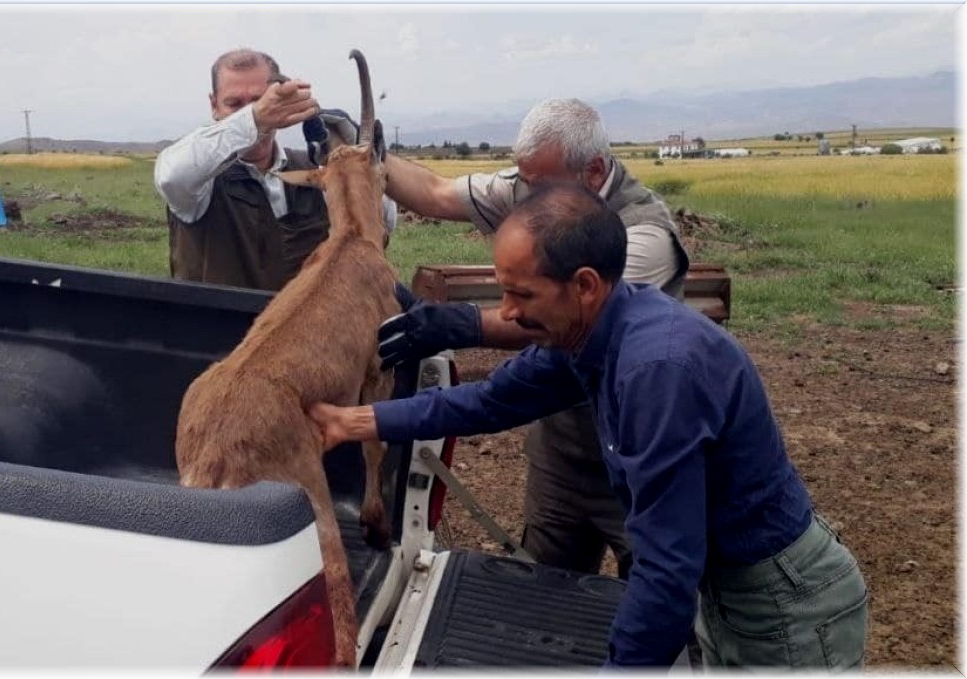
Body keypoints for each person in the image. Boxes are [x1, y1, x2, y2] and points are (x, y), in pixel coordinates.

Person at [309, 182, 869, 669]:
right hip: (727, 590)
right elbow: (488, 401)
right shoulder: (588, 334)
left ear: (583, 284)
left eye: (521, 293)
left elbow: (667, 567)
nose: (504, 312)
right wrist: (357, 420)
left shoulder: (658, 371)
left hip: (779, 606)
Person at [378, 98, 689, 579]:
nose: (528, 195)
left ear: (594, 171)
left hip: (637, 458)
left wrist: (460, 322)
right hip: (562, 448)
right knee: (546, 582)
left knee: (654, 584)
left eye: (540, 182)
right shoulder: (538, 188)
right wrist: (369, 151)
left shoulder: (643, 237)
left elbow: (557, 322)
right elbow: (436, 193)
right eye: (524, 181)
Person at [153, 48, 396, 291]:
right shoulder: (198, 184)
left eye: (259, 101)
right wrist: (254, 119)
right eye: (234, 104)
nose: (252, 111)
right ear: (214, 105)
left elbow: (384, 219)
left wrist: (352, 168)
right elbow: (171, 177)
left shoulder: (316, 171)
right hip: (217, 328)